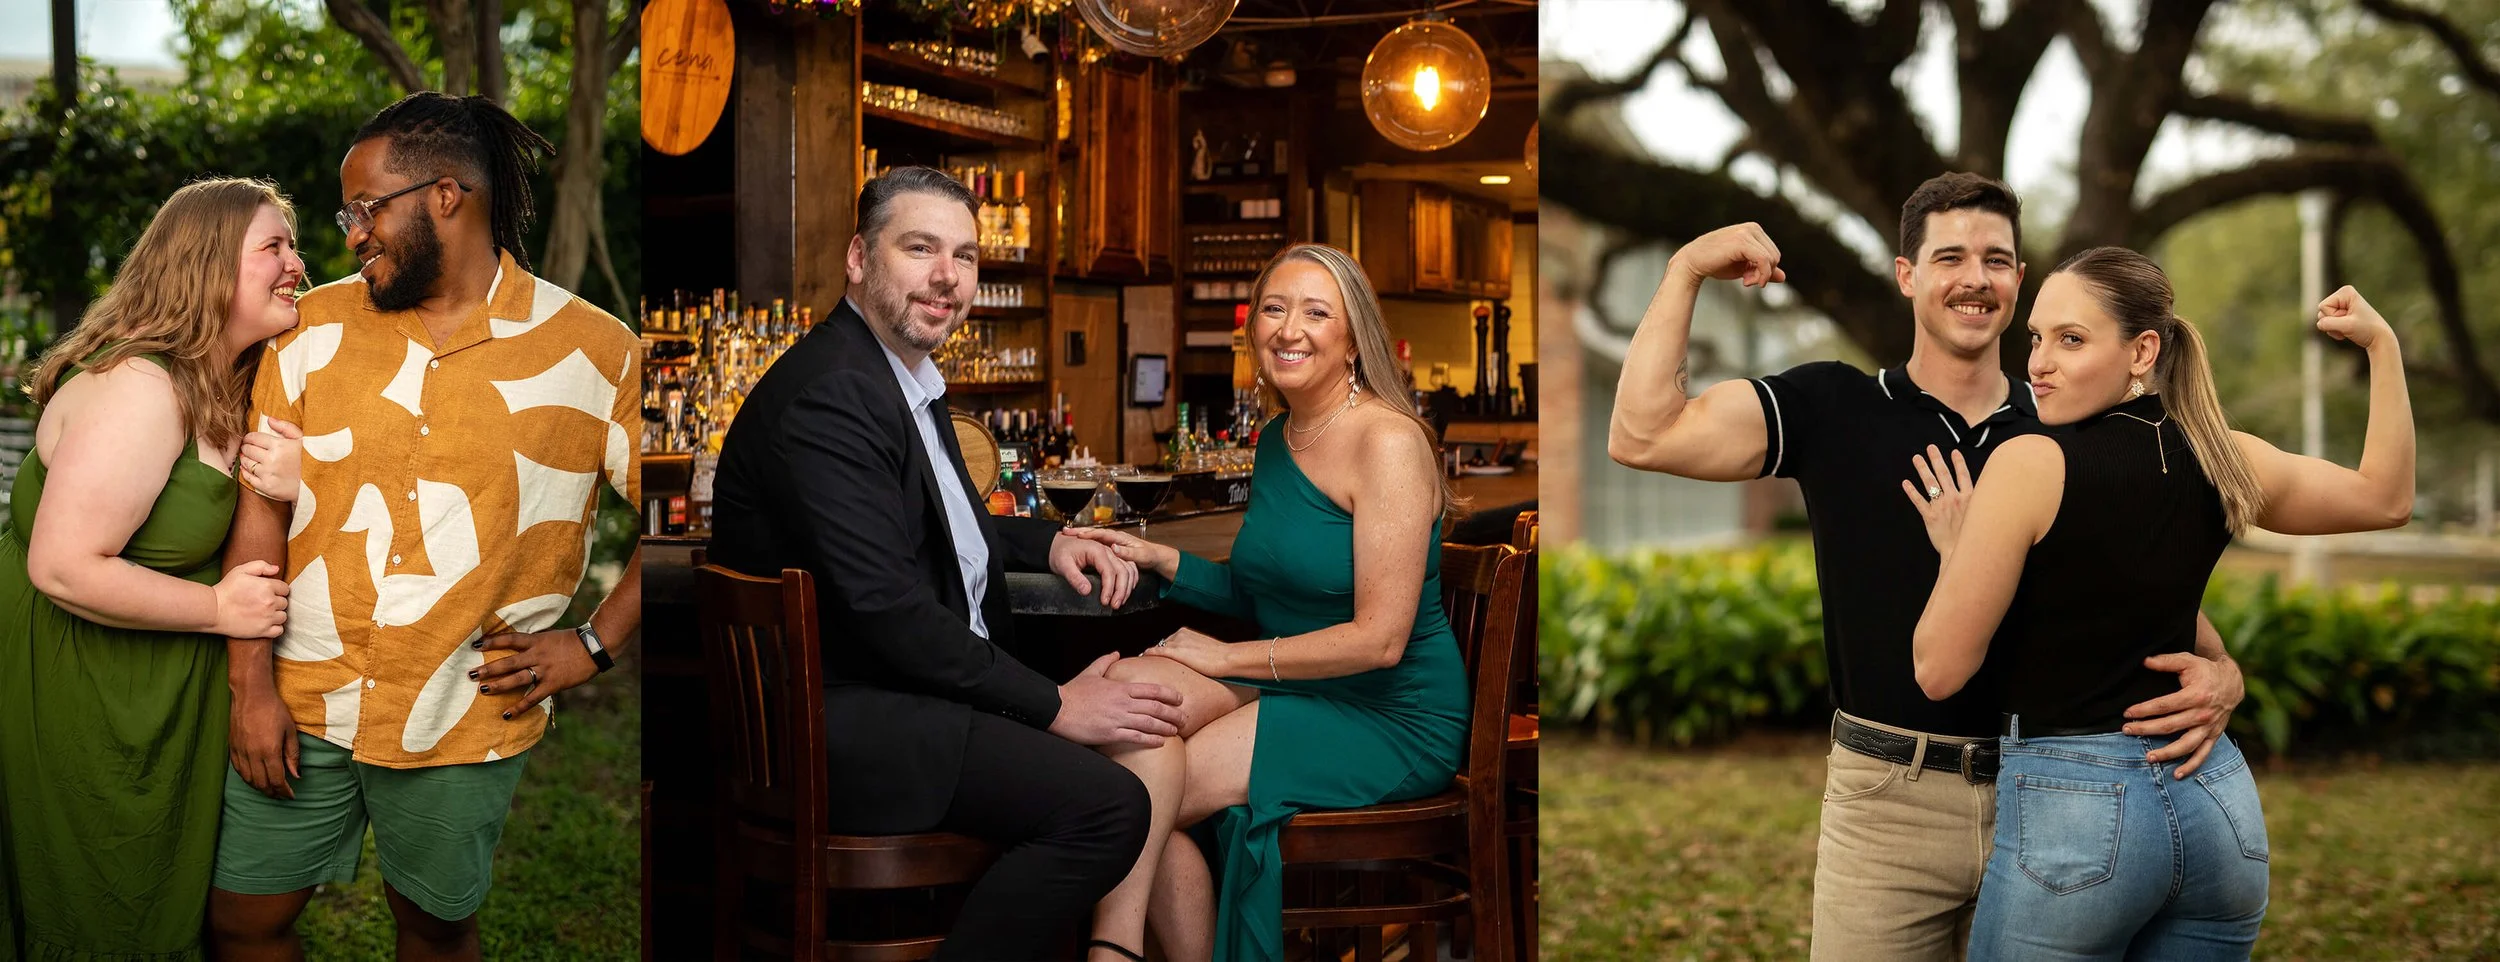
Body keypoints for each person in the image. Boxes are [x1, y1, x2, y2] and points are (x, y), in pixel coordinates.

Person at [1606, 172, 2247, 959]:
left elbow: (2136, 585)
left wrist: (2224, 675)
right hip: (1888, 804)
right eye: (1950, 257)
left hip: (2054, 801)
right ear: (1907, 276)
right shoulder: (1833, 406)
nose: (1976, 278)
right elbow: (1641, 434)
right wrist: (1685, 272)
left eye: (1998, 259)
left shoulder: (2063, 426)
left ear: (2019, 283)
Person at [203, 92, 643, 962]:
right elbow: (263, 504)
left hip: (462, 713)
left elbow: (685, 520)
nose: (351, 233)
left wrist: (592, 645)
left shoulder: (599, 352)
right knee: (242, 923)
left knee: (435, 932)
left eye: (366, 209)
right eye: (346, 213)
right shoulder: (311, 328)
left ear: (447, 196)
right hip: (302, 694)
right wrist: (249, 686)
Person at [703, 165, 1179, 960]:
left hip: (895, 704)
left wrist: (1052, 541)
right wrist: (1055, 704)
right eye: (919, 248)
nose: (946, 277)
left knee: (1147, 772)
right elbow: (887, 608)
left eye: (964, 256)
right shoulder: (834, 394)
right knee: (1108, 808)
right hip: (848, 726)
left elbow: (949, 527)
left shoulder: (897, 380)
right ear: (859, 258)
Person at [1908, 252, 2413, 959]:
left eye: (2072, 340)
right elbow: (2387, 498)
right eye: (2036, 338)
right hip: (2217, 807)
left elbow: (1939, 668)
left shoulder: (2029, 463)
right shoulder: (2221, 455)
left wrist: (1960, 552)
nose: (2040, 364)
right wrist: (2382, 345)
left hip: (2076, 818)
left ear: (2143, 350)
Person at [1061, 243, 1472, 962]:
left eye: (1317, 312)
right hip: (1301, 682)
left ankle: (1112, 948)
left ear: (1354, 338)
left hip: (1390, 710)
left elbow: (1380, 639)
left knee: (1137, 790)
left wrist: (1223, 656)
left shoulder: (1388, 442)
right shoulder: (1281, 435)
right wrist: (1169, 563)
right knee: (1130, 698)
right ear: (1253, 331)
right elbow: (1273, 591)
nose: (1290, 329)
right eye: (1274, 309)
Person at [0, 177, 299, 959]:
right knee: (97, 897)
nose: (296, 264)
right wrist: (221, 611)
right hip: (79, 677)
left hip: (150, 679)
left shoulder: (223, 380)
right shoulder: (141, 384)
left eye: (291, 245)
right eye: (273, 246)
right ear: (204, 265)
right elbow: (63, 566)